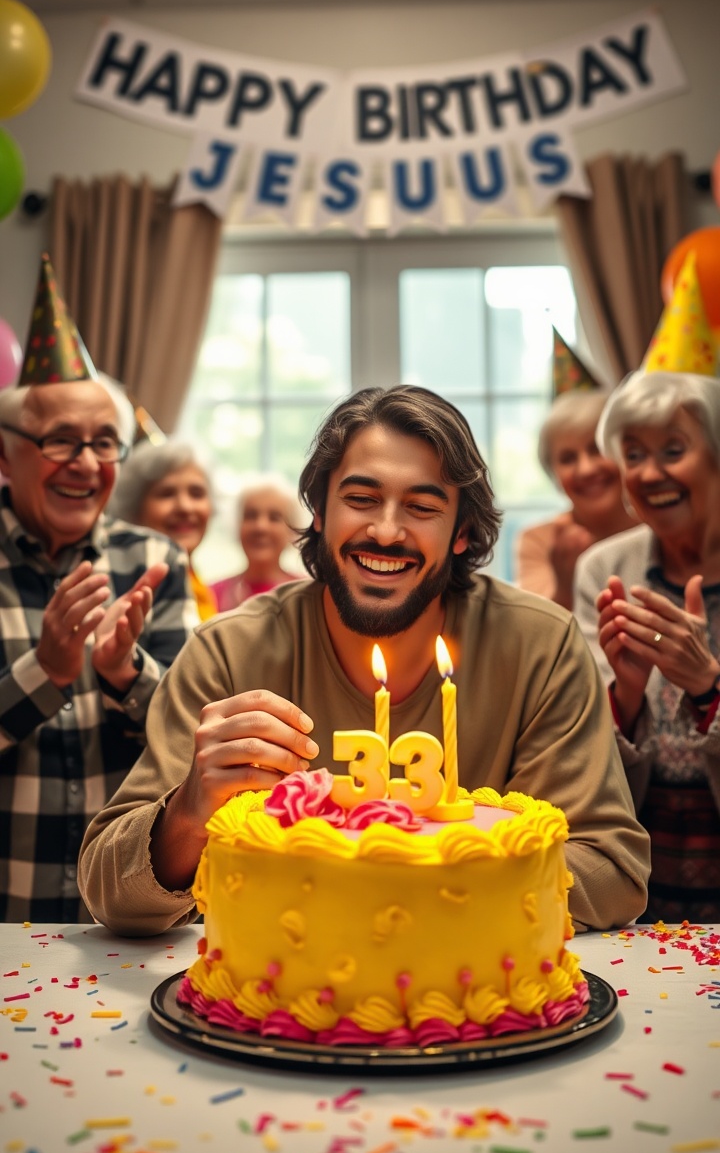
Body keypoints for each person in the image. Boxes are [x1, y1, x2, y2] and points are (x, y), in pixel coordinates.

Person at [78, 384, 650, 937]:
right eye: (361, 499)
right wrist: (188, 811)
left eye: (423, 506)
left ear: (462, 531)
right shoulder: (229, 652)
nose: (385, 530)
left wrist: (403, 891)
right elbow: (109, 888)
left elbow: (613, 868)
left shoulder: (539, 647)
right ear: (320, 512)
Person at [0, 256, 199, 922]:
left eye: (105, 443)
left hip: (122, 921)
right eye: (61, 442)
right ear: (6, 454)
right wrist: (46, 673)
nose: (86, 464)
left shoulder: (154, 560)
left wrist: (126, 673)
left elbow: (192, 750)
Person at [574, 369, 720, 924]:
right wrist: (626, 694)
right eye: (633, 454)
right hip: (636, 885)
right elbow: (585, 762)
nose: (650, 473)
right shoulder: (605, 570)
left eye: (673, 450)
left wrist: (708, 686)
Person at [515, 390, 635, 608]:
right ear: (553, 475)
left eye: (596, 449)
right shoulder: (539, 541)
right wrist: (564, 587)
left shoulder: (660, 529)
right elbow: (534, 634)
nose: (586, 469)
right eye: (568, 458)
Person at [110, 441, 217, 621]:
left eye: (197, 493)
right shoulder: (124, 586)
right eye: (166, 493)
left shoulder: (200, 585)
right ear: (134, 508)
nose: (185, 507)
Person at [211, 472, 303, 612]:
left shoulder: (308, 595)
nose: (261, 527)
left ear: (292, 528)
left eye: (274, 517)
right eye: (250, 516)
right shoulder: (211, 596)